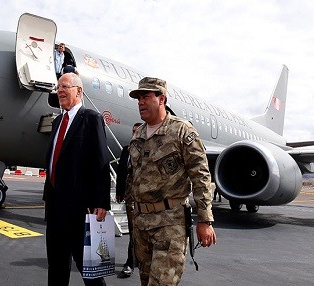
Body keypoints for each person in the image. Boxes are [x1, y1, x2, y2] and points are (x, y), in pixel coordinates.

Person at [127, 77, 217, 286]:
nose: (140, 102)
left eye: (146, 96)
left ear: (162, 99)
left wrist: (205, 220)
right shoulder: (137, 135)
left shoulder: (182, 131)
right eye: (138, 98)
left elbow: (201, 176)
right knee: (145, 281)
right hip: (141, 225)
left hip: (170, 224)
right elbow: (133, 177)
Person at [43, 72, 111, 286]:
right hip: (54, 207)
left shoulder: (91, 119)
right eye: (58, 87)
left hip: (79, 209)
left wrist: (101, 201)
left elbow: (101, 161)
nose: (59, 91)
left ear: (79, 91)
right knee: (56, 268)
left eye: (64, 86)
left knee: (90, 271)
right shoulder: (56, 123)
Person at [115, 122, 142, 279]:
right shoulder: (126, 150)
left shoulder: (150, 150)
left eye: (137, 131)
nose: (134, 134)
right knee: (133, 230)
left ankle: (134, 260)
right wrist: (119, 192)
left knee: (141, 231)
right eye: (133, 131)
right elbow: (121, 172)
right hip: (130, 198)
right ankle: (131, 262)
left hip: (146, 200)